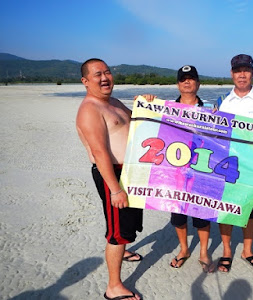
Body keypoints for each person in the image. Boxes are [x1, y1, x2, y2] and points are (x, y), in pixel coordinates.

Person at [76, 58, 142, 300]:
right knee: (117, 231)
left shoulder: (113, 102)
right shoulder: (90, 109)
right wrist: (115, 189)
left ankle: (122, 252)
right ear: (85, 81)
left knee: (129, 222)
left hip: (130, 171)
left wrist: (145, 105)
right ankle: (114, 286)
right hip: (112, 175)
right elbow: (100, 152)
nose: (104, 78)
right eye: (97, 74)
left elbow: (136, 122)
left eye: (107, 72)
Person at [138, 65, 215, 273]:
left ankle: (204, 252)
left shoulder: (211, 107)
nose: (187, 82)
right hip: (175, 171)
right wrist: (147, 102)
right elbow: (144, 121)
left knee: (202, 212)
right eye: (183, 79)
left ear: (198, 83)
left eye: (191, 79)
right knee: (178, 214)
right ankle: (184, 249)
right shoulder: (167, 107)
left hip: (201, 169)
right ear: (178, 84)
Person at [216, 54, 253, 272]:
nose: (242, 74)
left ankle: (247, 250)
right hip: (227, 165)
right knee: (226, 208)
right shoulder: (222, 101)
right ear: (232, 74)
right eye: (238, 70)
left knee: (251, 210)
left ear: (252, 72)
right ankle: (227, 251)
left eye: (246, 70)